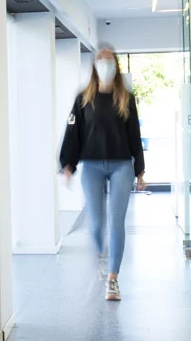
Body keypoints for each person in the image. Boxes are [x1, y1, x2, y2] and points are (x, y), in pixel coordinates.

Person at [59, 47, 146, 301]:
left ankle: (113, 279)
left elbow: (134, 135)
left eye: (109, 60)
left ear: (115, 65)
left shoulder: (126, 98)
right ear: (95, 66)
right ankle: (102, 256)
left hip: (121, 166)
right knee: (96, 223)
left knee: (116, 222)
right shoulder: (83, 99)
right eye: (101, 60)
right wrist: (68, 164)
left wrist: (140, 171)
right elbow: (73, 133)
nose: (105, 64)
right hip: (92, 166)